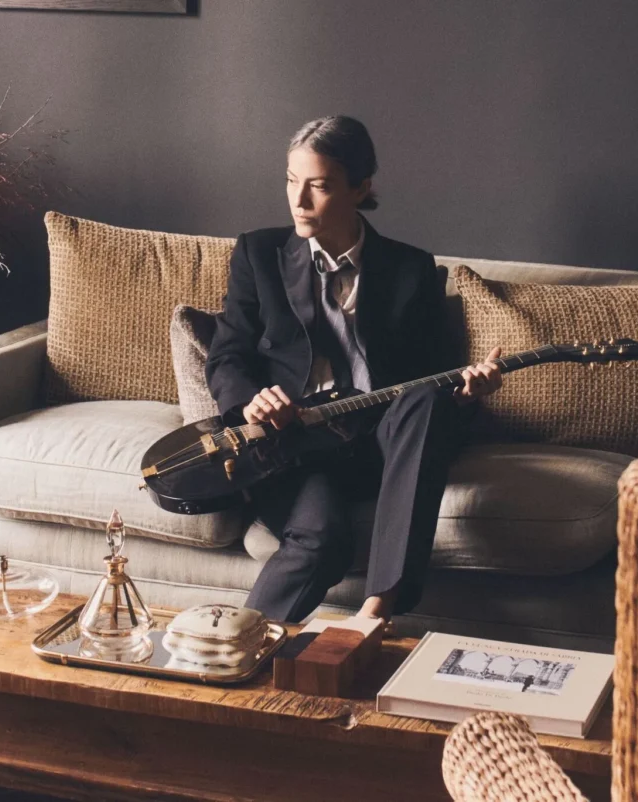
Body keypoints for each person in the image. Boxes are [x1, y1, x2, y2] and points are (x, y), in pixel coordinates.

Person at [205, 116, 503, 625]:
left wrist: (468, 390)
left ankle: (378, 609)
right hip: (295, 443)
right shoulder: (259, 253)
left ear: (361, 187)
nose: (298, 202)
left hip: (379, 440)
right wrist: (253, 400)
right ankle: (234, 648)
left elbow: (434, 375)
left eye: (318, 187)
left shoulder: (411, 269)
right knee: (321, 538)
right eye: (290, 181)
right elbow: (227, 355)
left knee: (428, 399)